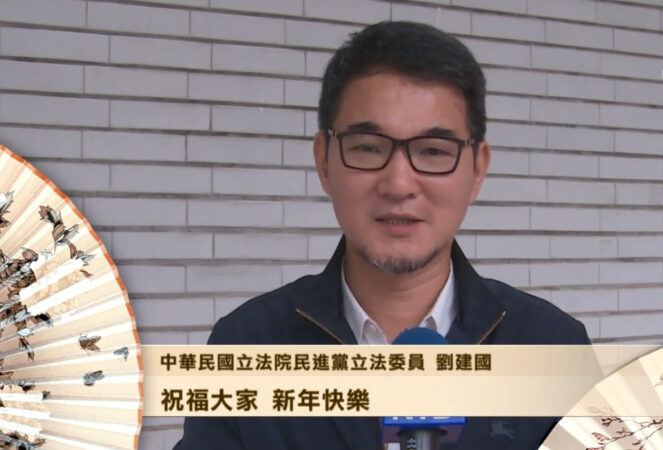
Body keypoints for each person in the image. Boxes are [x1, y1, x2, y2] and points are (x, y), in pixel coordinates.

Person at [174, 20, 591, 449]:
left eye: (434, 151)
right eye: (368, 148)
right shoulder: (244, 348)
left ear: (478, 169)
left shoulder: (555, 348)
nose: (398, 184)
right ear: (324, 161)